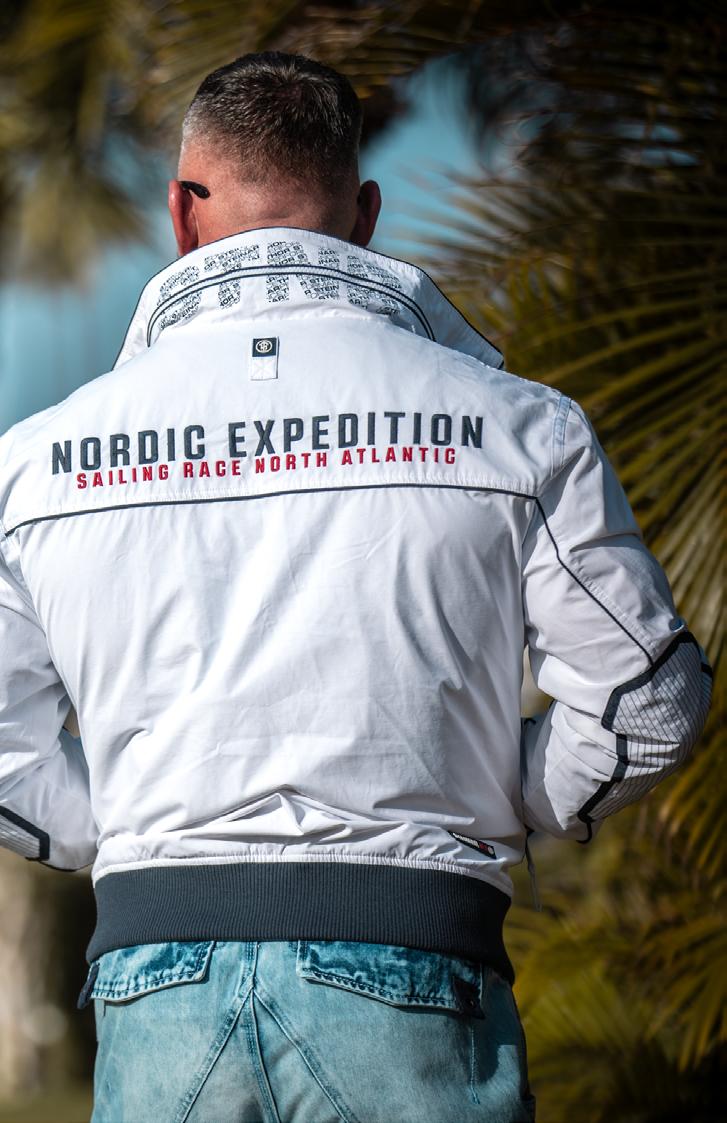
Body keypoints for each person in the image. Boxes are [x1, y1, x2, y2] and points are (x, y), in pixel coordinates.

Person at [0, 51, 711, 1123]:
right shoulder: (520, 427)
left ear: (181, 212)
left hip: (156, 982)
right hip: (416, 961)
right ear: (365, 214)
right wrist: (495, 788)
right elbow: (647, 700)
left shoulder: (36, 463)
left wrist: (149, 820)